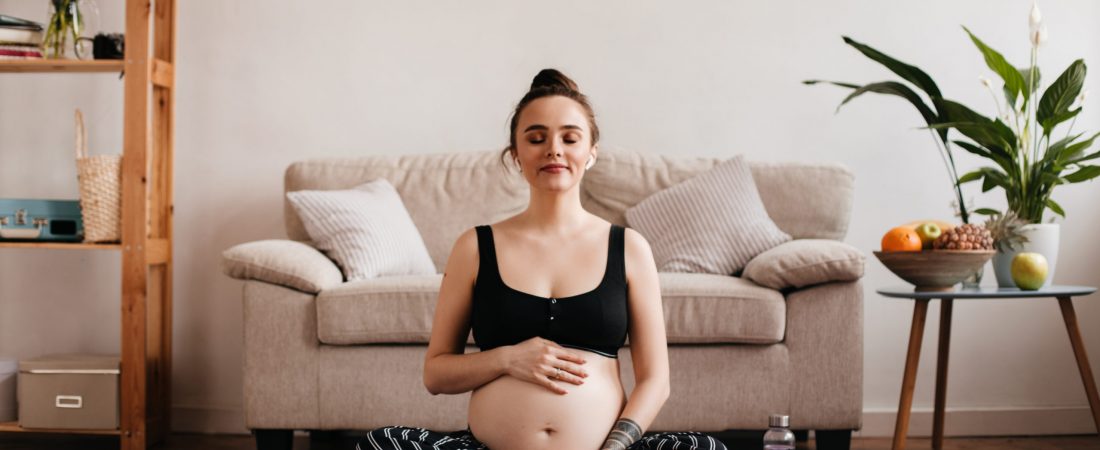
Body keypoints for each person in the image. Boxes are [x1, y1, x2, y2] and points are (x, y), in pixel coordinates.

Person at [359, 69, 728, 450]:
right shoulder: (474, 246)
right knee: (379, 444)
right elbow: (436, 374)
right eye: (537, 138)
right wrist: (506, 359)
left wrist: (618, 446)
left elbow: (655, 381)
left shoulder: (629, 248)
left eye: (570, 138)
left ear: (592, 152)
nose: (554, 149)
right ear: (516, 154)